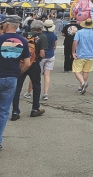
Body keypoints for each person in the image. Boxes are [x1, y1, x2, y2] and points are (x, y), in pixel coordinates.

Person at [0, 15, 32, 150]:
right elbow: (27, 63)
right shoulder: (23, 41)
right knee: (4, 110)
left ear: (7, 24)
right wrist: (17, 73)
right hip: (11, 78)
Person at [11, 20, 46, 121]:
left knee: (17, 87)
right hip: (34, 64)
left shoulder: (22, 35)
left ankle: (15, 111)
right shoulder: (42, 37)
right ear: (41, 28)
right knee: (36, 86)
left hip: (21, 63)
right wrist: (38, 59)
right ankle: (35, 108)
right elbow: (42, 53)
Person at [72, 18, 93, 95]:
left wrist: (73, 52)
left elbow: (75, 42)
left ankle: (82, 83)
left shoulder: (79, 32)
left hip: (80, 55)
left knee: (76, 71)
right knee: (86, 71)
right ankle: (81, 86)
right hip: (90, 55)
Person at [40, 20, 58, 100]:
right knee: (47, 75)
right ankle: (45, 93)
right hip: (50, 55)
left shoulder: (41, 35)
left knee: (36, 75)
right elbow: (55, 46)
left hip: (41, 56)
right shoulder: (54, 35)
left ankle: (29, 92)